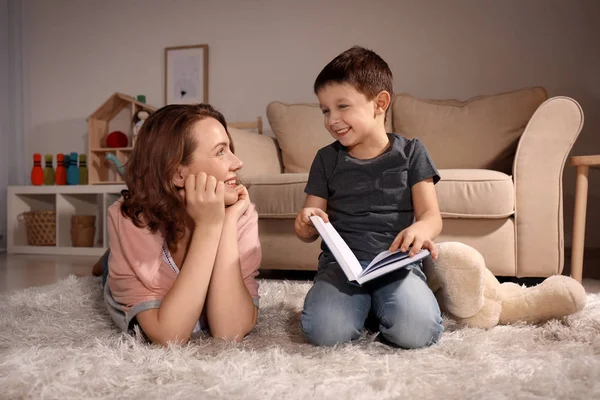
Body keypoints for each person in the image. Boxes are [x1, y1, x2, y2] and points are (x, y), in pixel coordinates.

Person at [295, 46, 444, 348]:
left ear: (380, 103)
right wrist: (306, 221)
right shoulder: (326, 159)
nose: (332, 119)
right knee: (324, 332)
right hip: (342, 267)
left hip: (396, 264)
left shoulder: (412, 152)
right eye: (325, 110)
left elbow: (432, 217)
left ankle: (379, 303)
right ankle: (363, 305)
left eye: (342, 107)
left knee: (418, 332)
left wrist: (419, 229)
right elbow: (307, 227)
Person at [92, 104, 261, 346]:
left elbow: (229, 331)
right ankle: (107, 259)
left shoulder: (240, 211)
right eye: (221, 152)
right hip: (137, 250)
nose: (238, 162)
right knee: (108, 270)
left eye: (230, 149)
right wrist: (208, 226)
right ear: (177, 173)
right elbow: (169, 336)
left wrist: (224, 223)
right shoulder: (130, 219)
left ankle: (110, 256)